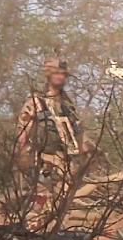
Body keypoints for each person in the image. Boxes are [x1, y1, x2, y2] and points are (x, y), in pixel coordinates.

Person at [16, 56, 83, 209]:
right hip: (43, 161)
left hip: (66, 162)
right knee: (40, 203)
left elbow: (77, 133)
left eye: (63, 74)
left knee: (63, 206)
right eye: (56, 73)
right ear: (48, 75)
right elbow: (22, 132)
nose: (60, 77)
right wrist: (24, 158)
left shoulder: (67, 104)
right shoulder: (36, 101)